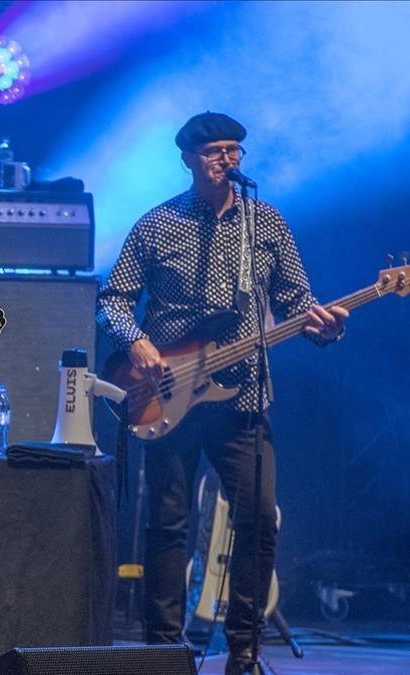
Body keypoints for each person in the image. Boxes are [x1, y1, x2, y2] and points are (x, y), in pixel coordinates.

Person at [96, 112, 348, 675]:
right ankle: (164, 651)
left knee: (259, 520)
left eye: (233, 149)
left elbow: (296, 303)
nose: (225, 159)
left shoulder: (267, 225)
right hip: (169, 394)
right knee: (168, 525)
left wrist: (322, 328)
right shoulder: (158, 224)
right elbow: (112, 299)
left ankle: (245, 648)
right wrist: (135, 341)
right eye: (213, 151)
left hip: (244, 398)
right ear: (187, 159)